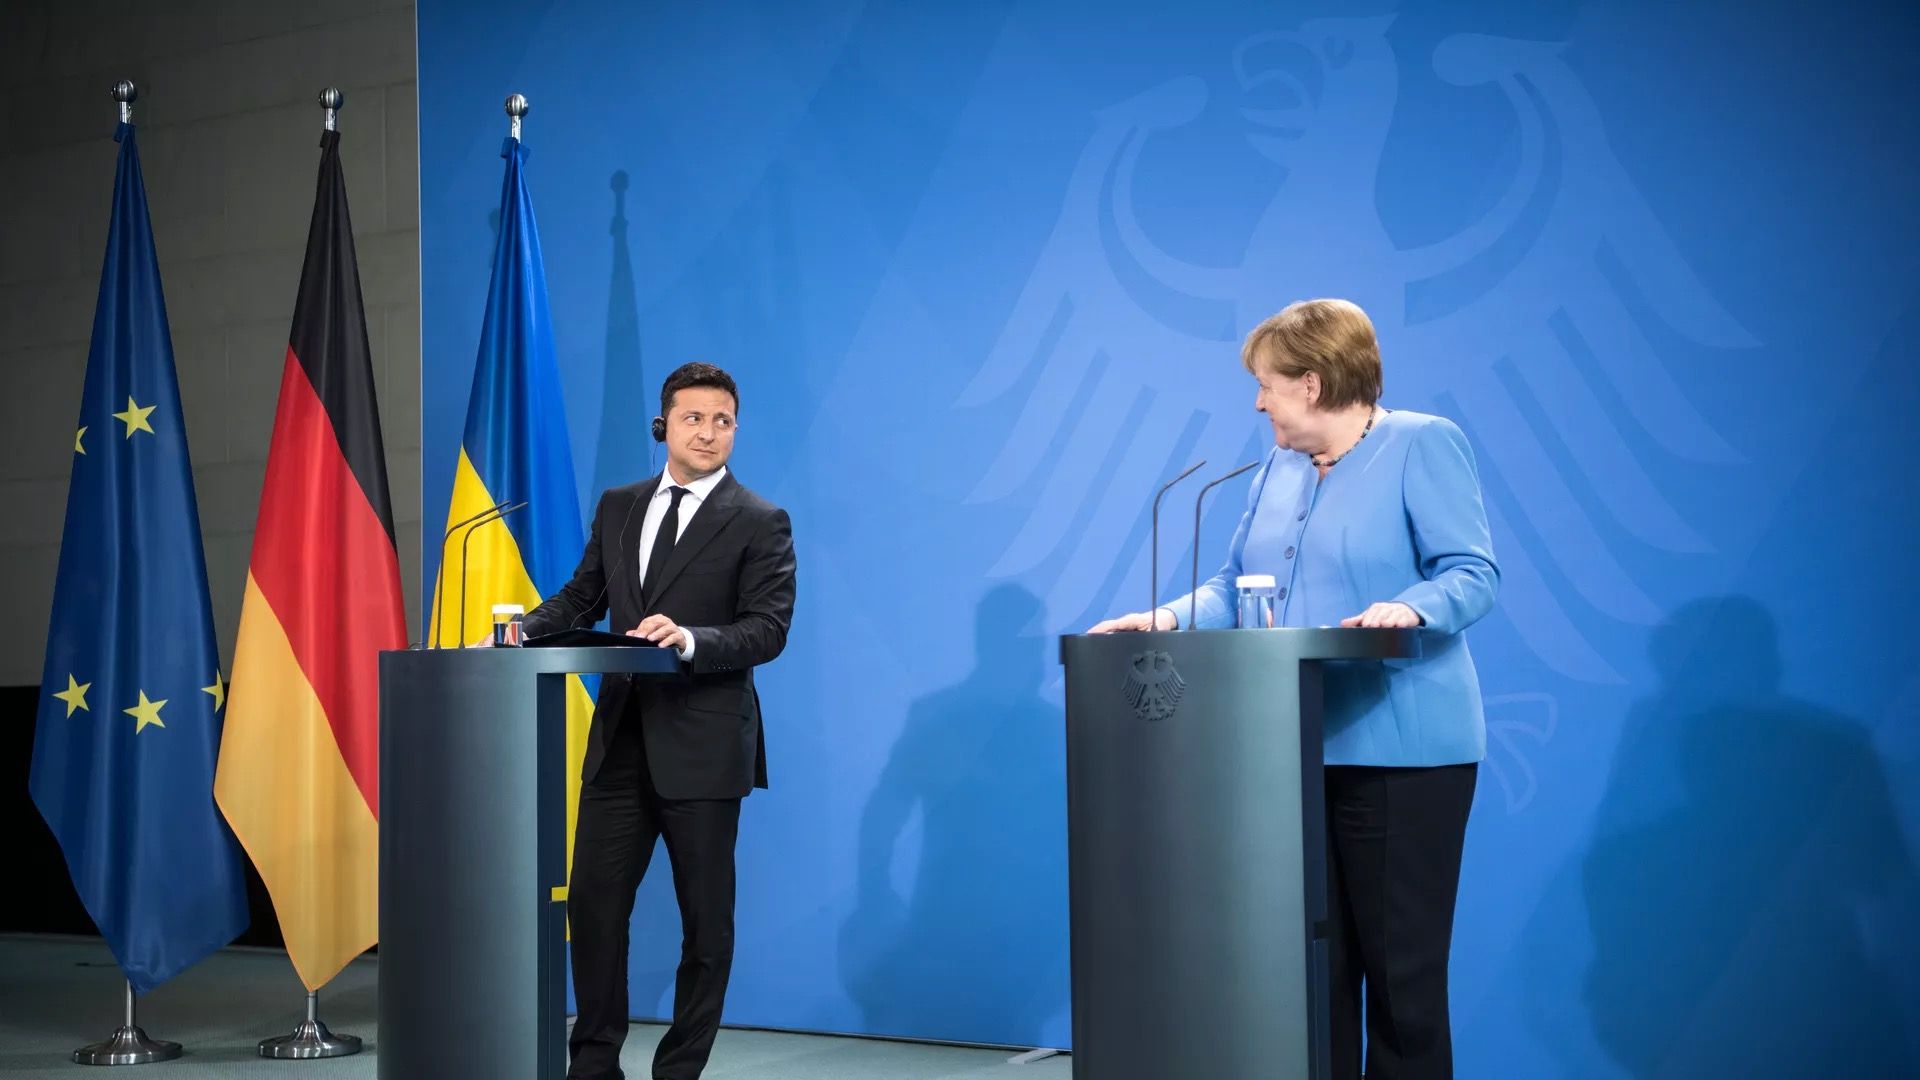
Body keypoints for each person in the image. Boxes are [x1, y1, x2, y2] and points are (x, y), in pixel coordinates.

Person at [1089, 299, 1498, 1080]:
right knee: (1312, 978)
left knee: (1402, 980)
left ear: (1311, 383)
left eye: (1267, 385)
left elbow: (1472, 573)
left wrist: (1412, 604)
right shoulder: (1277, 468)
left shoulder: (1423, 444)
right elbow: (1232, 585)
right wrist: (1162, 618)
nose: (1256, 402)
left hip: (1401, 756)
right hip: (1289, 752)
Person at [521, 362, 797, 1080]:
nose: (709, 432)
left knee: (706, 922)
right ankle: (594, 1060)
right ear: (663, 425)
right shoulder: (619, 505)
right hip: (620, 740)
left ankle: (679, 1069)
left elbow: (767, 629)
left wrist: (692, 639)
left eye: (723, 420)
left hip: (704, 743)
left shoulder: (761, 520)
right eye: (694, 418)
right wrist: (522, 631)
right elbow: (584, 597)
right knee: (593, 905)